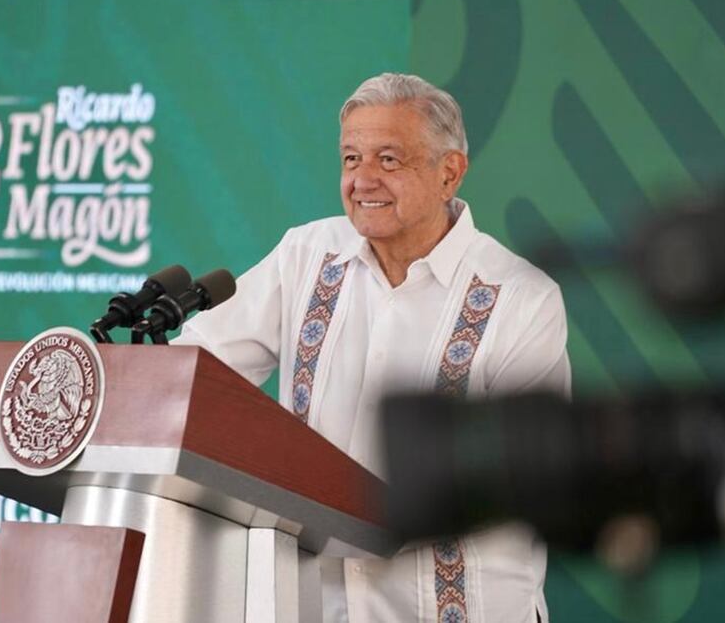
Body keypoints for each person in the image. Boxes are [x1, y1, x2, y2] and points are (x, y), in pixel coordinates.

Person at [175, 73, 570, 622]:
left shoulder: (521, 298)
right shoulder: (306, 255)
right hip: (318, 607)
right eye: (350, 158)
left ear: (448, 173)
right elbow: (195, 370)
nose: (362, 180)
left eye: (388, 160)